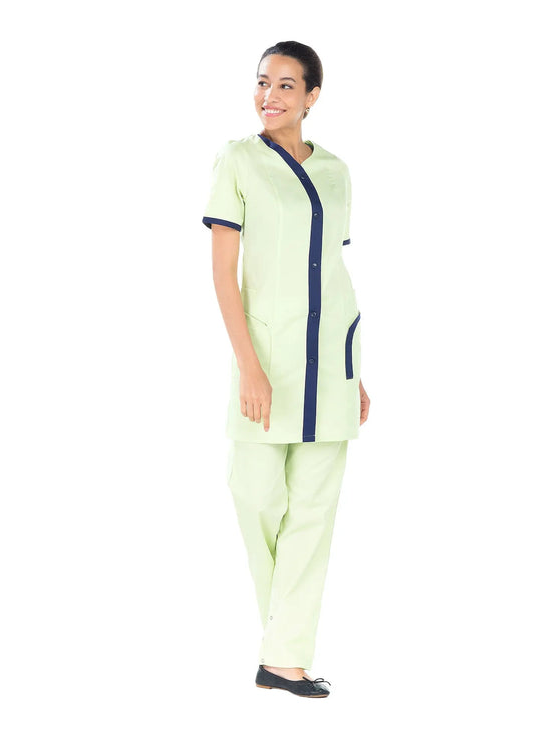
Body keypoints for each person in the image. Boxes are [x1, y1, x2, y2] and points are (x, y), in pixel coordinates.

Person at [202, 40, 370, 698]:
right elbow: (224, 274)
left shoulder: (336, 171)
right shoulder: (238, 160)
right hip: (266, 362)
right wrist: (249, 367)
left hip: (333, 363)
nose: (269, 96)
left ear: (312, 97)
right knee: (257, 498)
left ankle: (284, 663)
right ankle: (283, 646)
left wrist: (357, 373)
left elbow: (332, 272)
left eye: (286, 86)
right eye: (262, 82)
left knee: (313, 515)